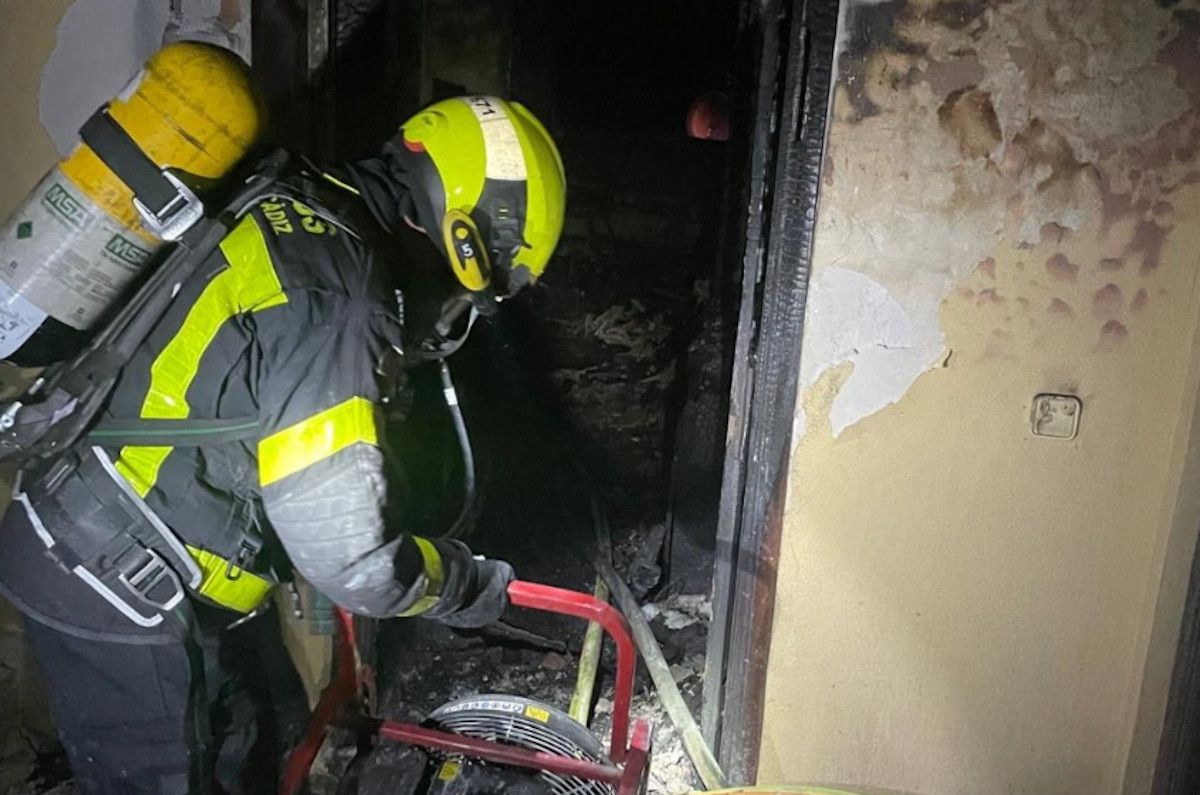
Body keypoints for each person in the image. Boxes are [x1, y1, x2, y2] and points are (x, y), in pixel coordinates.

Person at [0, 94, 566, 794]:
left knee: (250, 750)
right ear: (465, 239)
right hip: (116, 581)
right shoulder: (339, 299)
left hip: (102, 546)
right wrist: (464, 583)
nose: (449, 312)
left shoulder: (297, 199)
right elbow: (350, 559)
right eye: (464, 294)